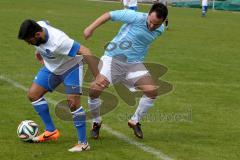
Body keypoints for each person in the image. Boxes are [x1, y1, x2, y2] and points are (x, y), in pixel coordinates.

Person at [84, 3, 168, 139]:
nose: (152, 26)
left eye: (156, 24)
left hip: (134, 65)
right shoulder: (134, 17)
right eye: (151, 22)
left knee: (152, 91)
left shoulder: (161, 30)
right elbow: (109, 15)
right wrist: (90, 28)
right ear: (148, 14)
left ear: (162, 22)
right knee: (94, 91)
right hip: (113, 59)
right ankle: (96, 122)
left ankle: (135, 121)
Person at [18, 19, 98, 152]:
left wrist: (98, 76)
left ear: (38, 35)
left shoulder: (59, 41)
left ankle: (83, 144)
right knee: (33, 95)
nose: (28, 43)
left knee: (73, 103)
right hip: (51, 68)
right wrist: (38, 53)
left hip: (71, 68)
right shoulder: (40, 25)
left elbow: (86, 51)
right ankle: (51, 131)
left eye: (29, 40)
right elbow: (45, 21)